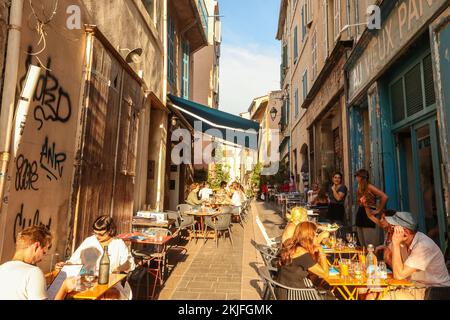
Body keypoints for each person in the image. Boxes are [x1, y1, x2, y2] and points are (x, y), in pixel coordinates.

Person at [57, 215, 135, 300]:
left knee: (110, 296)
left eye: (101, 234)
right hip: (88, 281)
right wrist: (65, 264)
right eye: (95, 233)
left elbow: (129, 265)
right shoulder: (89, 241)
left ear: (110, 231)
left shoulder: (118, 244)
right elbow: (74, 261)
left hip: (110, 284)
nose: (97, 236)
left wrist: (119, 268)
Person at [378, 212, 450, 300]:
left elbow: (399, 275)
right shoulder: (403, 242)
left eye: (393, 228)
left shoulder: (423, 246)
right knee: (372, 294)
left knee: (384, 297)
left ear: (406, 232)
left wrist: (395, 244)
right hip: (414, 286)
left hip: (432, 292)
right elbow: (397, 269)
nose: (389, 230)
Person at [0, 225, 76, 300]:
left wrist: (54, 274)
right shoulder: (34, 272)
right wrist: (64, 288)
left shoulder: (2, 269)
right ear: (36, 246)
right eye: (43, 252)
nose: (41, 259)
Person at [277, 222, 334, 300]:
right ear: (309, 237)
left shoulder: (290, 245)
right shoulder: (302, 254)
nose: (316, 236)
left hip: (282, 290)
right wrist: (321, 251)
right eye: (315, 235)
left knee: (321, 287)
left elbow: (309, 272)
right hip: (293, 294)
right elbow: (325, 274)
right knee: (330, 296)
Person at [354, 169, 388, 247]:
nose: (356, 178)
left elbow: (384, 196)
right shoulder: (359, 186)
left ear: (361, 177)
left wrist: (378, 210)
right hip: (361, 212)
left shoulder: (370, 186)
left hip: (369, 213)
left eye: (357, 176)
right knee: (362, 243)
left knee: (370, 243)